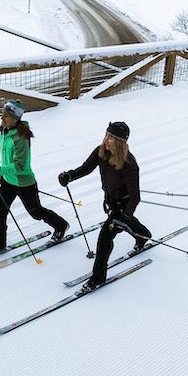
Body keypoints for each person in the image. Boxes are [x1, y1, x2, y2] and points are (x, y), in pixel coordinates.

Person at [58, 121, 152, 292]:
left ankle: (98, 277)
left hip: (124, 205)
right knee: (127, 225)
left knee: (105, 238)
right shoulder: (101, 151)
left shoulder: (129, 164)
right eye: (107, 135)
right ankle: (143, 235)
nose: (108, 140)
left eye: (113, 138)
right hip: (111, 201)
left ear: (121, 142)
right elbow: (86, 168)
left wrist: (125, 215)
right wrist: (69, 176)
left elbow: (135, 196)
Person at [0, 100, 69, 257]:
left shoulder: (21, 137)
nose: (2, 118)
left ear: (15, 118)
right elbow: (7, 160)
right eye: (2, 114)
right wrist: (0, 174)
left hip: (24, 182)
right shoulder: (5, 132)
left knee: (36, 212)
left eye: (6, 116)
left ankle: (61, 225)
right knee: (0, 212)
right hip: (8, 180)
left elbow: (20, 166)